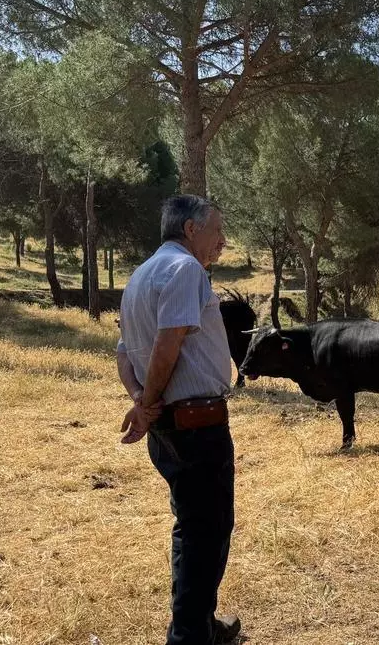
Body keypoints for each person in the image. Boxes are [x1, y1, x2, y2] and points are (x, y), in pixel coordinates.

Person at [115, 194, 241, 644]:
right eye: (217, 230)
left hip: (169, 427)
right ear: (191, 229)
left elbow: (124, 352)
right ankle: (189, 637)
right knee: (207, 531)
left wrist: (141, 401)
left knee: (192, 526)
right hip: (196, 426)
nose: (222, 240)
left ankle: (199, 625)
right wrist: (146, 403)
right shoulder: (186, 269)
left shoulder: (140, 276)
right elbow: (167, 345)